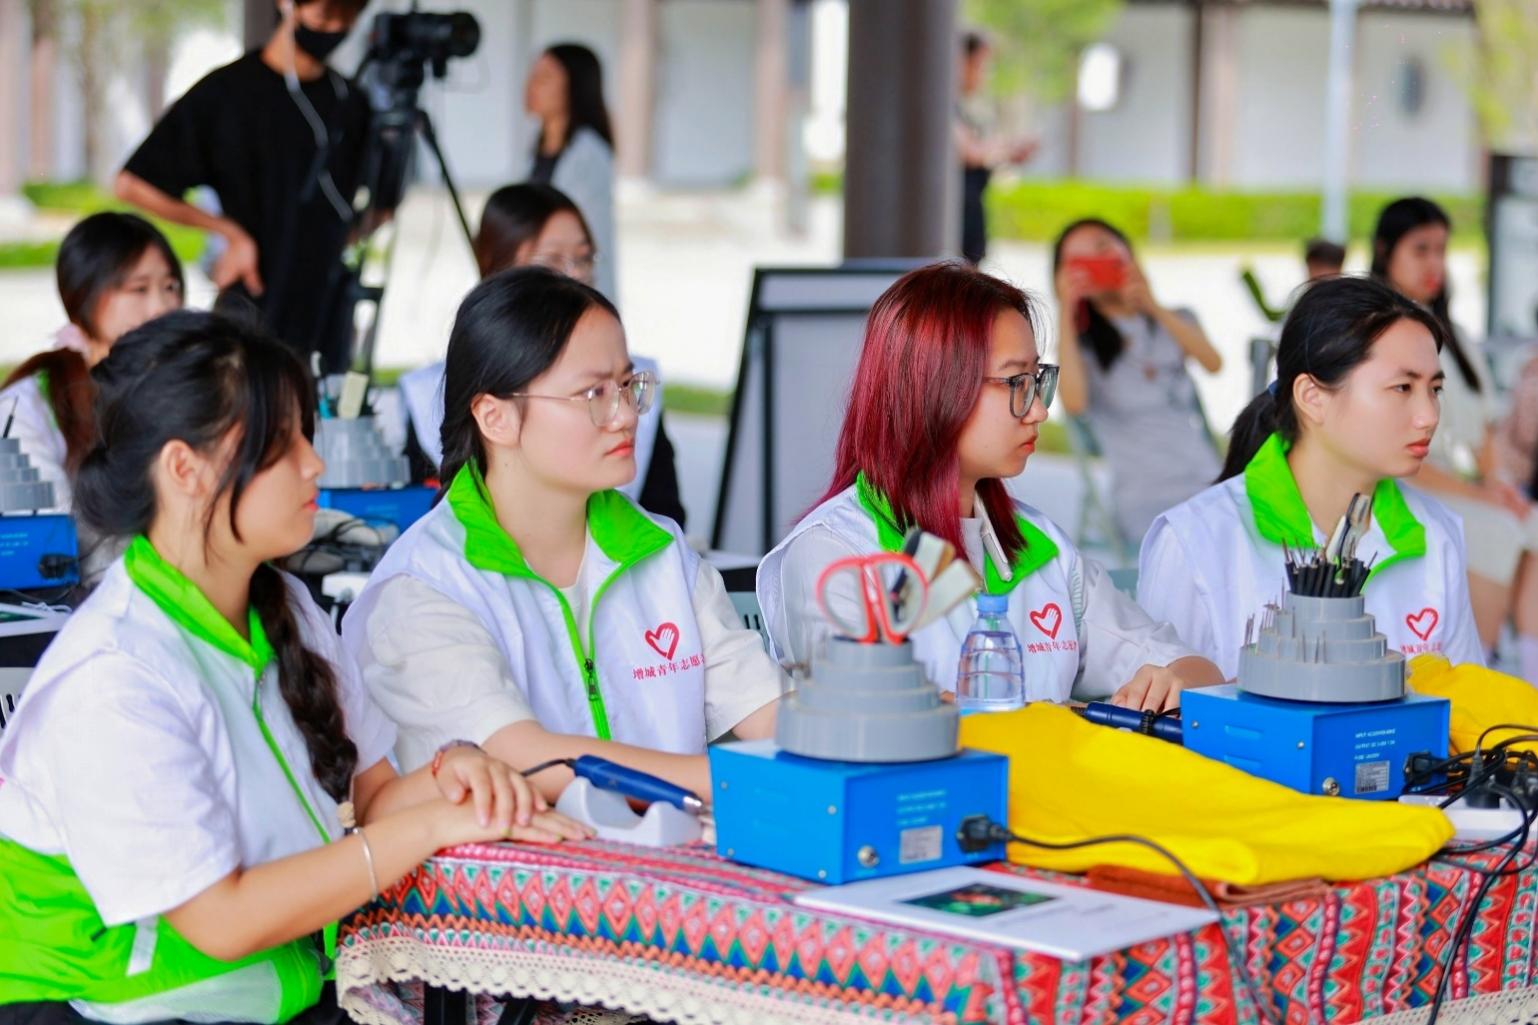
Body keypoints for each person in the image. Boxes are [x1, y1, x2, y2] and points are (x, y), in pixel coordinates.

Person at [0, 310, 585, 1023]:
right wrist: (429, 828)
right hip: (106, 1011)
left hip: (273, 995)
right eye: (280, 444)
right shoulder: (115, 675)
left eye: (306, 435)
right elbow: (222, 921)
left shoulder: (289, 609)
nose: (315, 464)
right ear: (184, 469)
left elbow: (376, 798)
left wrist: (453, 780)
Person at [343, 268, 780, 801]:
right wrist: (732, 783)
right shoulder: (423, 586)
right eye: (593, 393)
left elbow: (767, 708)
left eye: (628, 385)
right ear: (495, 418)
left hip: (672, 846)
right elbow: (521, 757)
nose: (626, 415)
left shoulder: (662, 552)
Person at [757, 262, 1223, 712]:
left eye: (1037, 380)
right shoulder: (836, 554)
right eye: (1016, 382)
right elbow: (870, 718)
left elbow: (1193, 669)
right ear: (934, 388)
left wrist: (1173, 680)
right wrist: (1048, 718)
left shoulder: (1041, 548)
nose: (1039, 410)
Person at [1138, 276, 1484, 680]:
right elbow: (1155, 710)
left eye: (1435, 389)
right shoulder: (1195, 540)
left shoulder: (1436, 533)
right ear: (1312, 397)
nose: (1428, 416)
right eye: (1403, 387)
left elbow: (1468, 703)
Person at [398, 183, 686, 526]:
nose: (576, 275)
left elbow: (667, 513)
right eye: (552, 261)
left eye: (584, 258)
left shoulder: (662, 551)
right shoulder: (427, 393)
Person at [114, 0, 372, 370]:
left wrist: (343, 238)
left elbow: (380, 205)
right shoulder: (227, 93)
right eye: (324, 17)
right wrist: (230, 233)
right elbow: (133, 184)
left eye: (346, 20)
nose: (334, 29)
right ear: (287, 5)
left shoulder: (352, 102)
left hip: (328, 313)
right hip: (253, 304)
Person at [1369, 197, 1538, 676]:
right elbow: (1392, 445)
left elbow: (1483, 434)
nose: (1434, 264)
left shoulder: (1455, 336)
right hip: (1398, 479)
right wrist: (1483, 495)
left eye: (1441, 250)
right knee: (1493, 528)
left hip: (1453, 481)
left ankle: (1528, 672)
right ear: (1385, 250)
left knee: (1529, 521)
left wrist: (1499, 485)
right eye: (1420, 249)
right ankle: (1476, 665)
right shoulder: (1374, 332)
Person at [0, 212, 184, 582]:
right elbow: (48, 549)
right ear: (83, 295)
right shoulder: (26, 407)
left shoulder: (186, 386)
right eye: (139, 289)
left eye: (170, 287)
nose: (161, 307)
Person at [1052, 218, 1224, 545]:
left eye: (1103, 247)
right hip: (1146, 496)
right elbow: (1073, 404)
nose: (1096, 262)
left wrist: (1152, 305)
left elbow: (1213, 363)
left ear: (1126, 250)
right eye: (1080, 261)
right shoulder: (1081, 349)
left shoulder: (1176, 319)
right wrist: (1066, 309)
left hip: (1207, 479)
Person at [523, 43, 617, 301]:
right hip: (542, 287)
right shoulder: (535, 147)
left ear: (573, 87)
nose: (531, 85)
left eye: (544, 78)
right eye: (532, 75)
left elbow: (584, 242)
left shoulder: (588, 155)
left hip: (572, 292)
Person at [955, 32, 1037, 266]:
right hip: (958, 223)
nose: (985, 75)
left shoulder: (959, 109)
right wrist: (1008, 148)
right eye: (980, 66)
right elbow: (970, 153)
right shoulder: (942, 107)